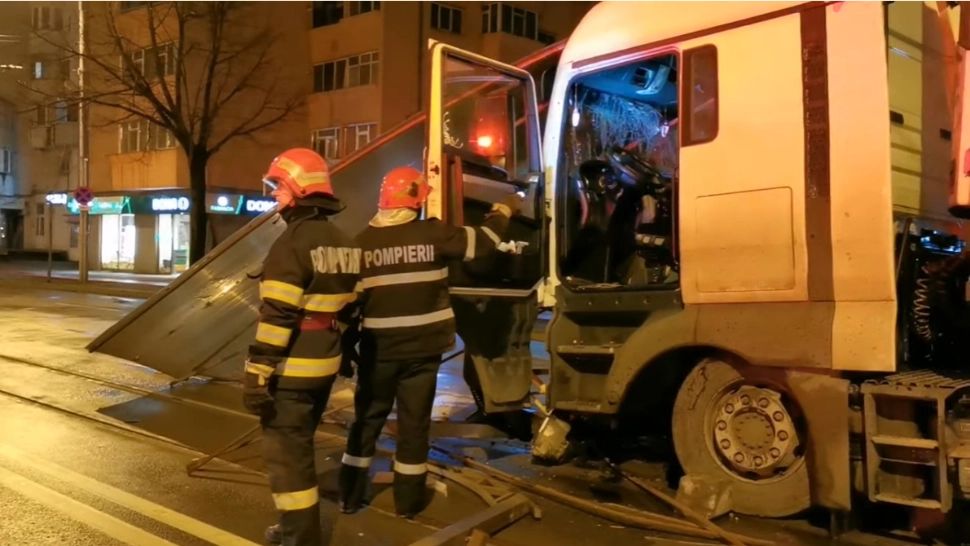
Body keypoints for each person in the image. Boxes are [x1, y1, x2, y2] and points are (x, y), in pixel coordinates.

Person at [338, 165, 519, 517]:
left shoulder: (361, 244)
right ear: (418, 201)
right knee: (414, 424)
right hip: (423, 351)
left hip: (380, 353)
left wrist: (346, 352)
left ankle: (349, 495)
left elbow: (349, 306)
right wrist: (503, 211)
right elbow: (483, 244)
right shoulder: (433, 233)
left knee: (367, 421)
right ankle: (408, 503)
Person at [243, 148, 360, 546]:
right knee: (300, 449)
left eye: (278, 186)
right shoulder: (343, 241)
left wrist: (258, 372)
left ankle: (299, 538)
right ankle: (294, 528)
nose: (274, 194)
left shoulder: (291, 244)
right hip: (324, 364)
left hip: (291, 370)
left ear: (298, 189)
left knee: (288, 462)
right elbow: (353, 306)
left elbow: (278, 316)